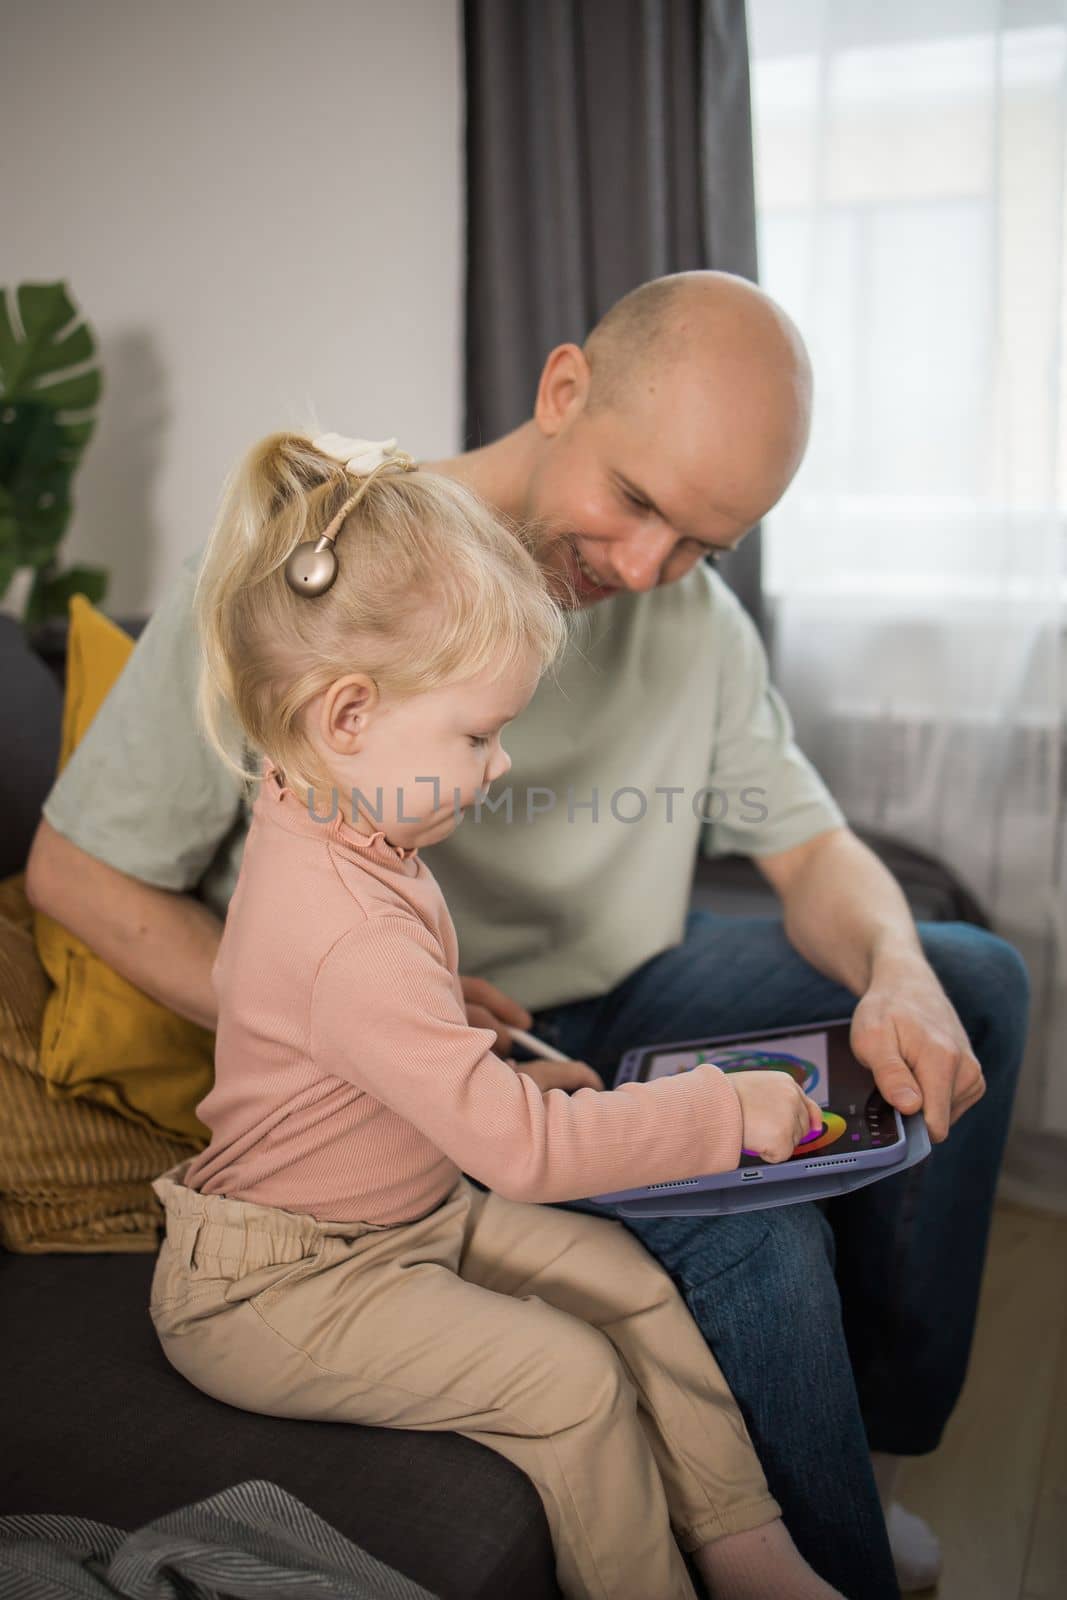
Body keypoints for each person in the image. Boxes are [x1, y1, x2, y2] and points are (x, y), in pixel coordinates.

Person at [26, 272, 1029, 1598]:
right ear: (562, 392)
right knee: (744, 1226)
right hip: (419, 1051)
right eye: (633, 504)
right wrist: (353, 1028)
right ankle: (817, 1545)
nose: (642, 571)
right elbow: (74, 874)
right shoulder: (309, 577)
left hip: (595, 996)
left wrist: (892, 972)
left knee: (969, 978)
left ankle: (871, 1442)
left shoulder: (685, 614)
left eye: (700, 546)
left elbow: (807, 846)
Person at [148, 427, 848, 1600]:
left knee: (628, 1280)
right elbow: (517, 1156)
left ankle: (748, 1548)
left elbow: (366, 1051)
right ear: (348, 716)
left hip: (398, 1215)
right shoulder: (350, 922)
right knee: (567, 1376)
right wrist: (722, 1110)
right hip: (280, 1286)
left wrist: (483, 1054)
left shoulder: (326, 810)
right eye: (475, 734)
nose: (493, 765)